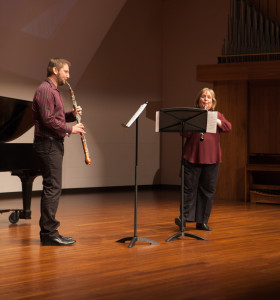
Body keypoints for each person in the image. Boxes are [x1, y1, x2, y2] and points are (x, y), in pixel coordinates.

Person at [32, 58, 85, 246]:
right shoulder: (46, 89)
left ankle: (50, 231)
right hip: (48, 144)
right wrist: (71, 129)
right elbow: (47, 120)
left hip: (53, 143)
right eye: (66, 72)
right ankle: (48, 233)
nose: (68, 76)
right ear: (55, 70)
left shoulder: (53, 90)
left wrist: (71, 115)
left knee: (53, 187)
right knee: (52, 188)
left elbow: (55, 116)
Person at [175, 87, 232, 231]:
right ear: (198, 99)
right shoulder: (191, 115)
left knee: (208, 191)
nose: (205, 99)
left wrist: (216, 121)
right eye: (203, 97)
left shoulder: (218, 115)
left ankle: (202, 221)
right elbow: (185, 134)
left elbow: (228, 127)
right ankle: (184, 219)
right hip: (192, 156)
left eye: (208, 97)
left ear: (212, 101)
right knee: (188, 190)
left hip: (212, 158)